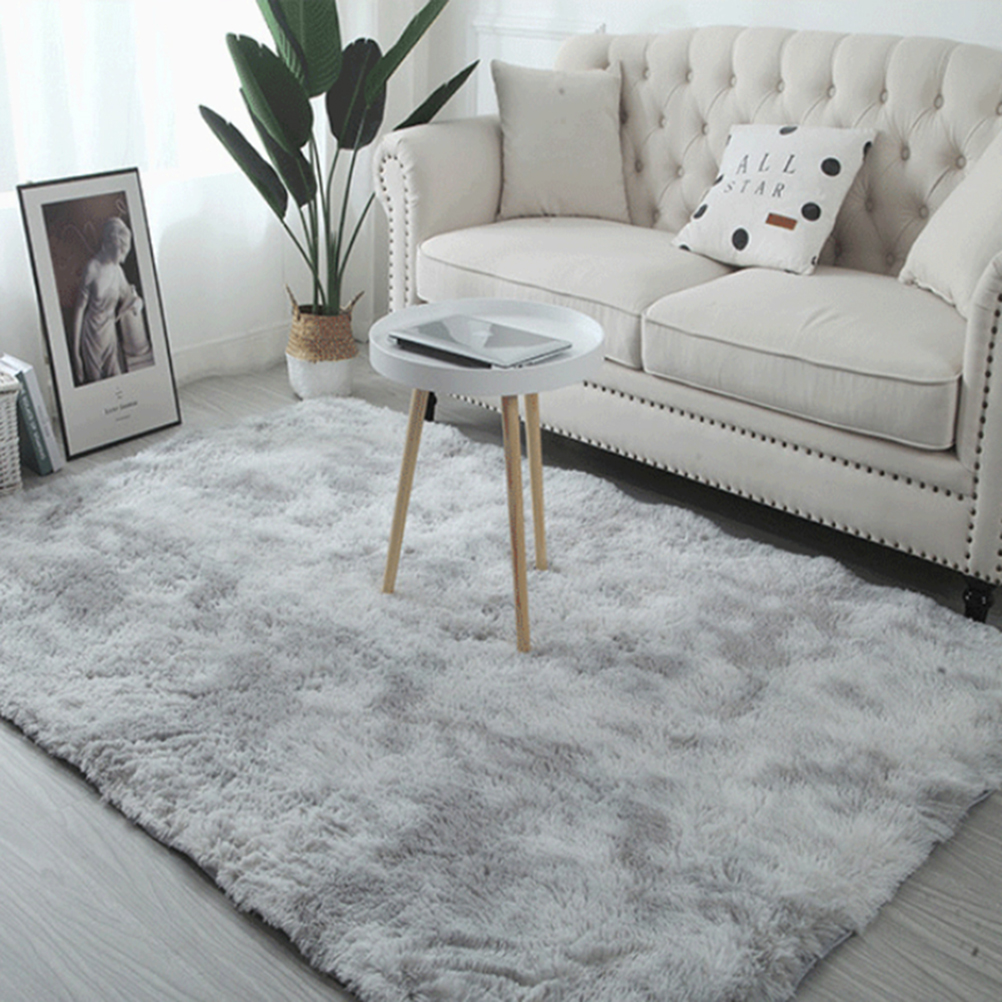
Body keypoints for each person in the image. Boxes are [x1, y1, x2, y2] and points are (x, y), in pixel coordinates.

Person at [70, 216, 144, 385]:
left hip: (109, 334)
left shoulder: (117, 271)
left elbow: (130, 296)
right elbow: (79, 311)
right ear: (110, 243)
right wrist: (76, 355)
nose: (123, 256)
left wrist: (137, 301)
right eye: (121, 250)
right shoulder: (92, 269)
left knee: (117, 379)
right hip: (92, 336)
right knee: (97, 383)